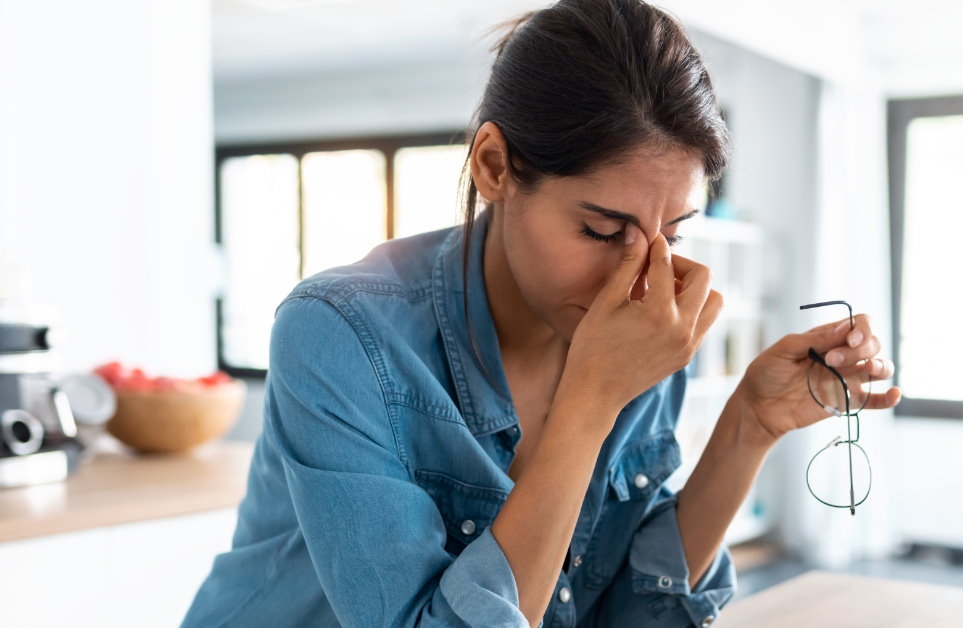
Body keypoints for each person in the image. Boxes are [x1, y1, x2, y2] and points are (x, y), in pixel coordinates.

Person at [183, 0, 901, 626]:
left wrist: (749, 423)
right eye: (599, 230)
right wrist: (589, 402)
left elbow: (625, 613)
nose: (642, 277)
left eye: (673, 234)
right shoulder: (340, 333)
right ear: (494, 166)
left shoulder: (638, 331)